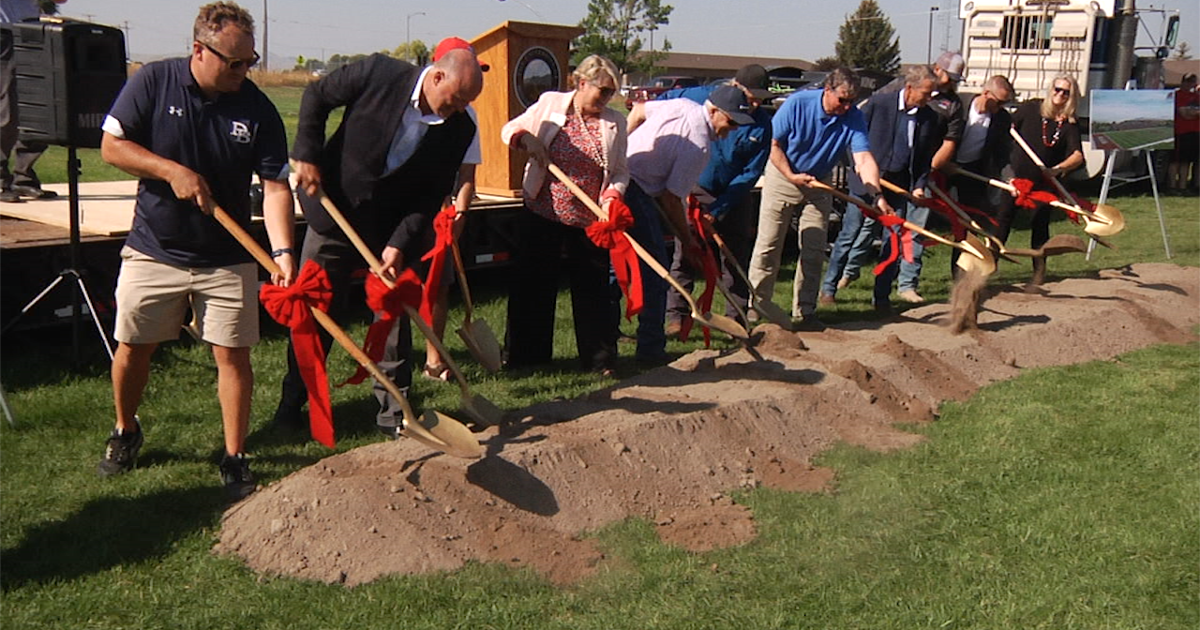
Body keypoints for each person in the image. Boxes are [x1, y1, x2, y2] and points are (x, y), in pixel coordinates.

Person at [96, 2, 296, 501]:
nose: (243, 71)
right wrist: (172, 171)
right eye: (234, 62)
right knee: (134, 349)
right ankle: (125, 429)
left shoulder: (257, 109)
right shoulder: (154, 82)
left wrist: (284, 252)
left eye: (249, 61)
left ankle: (235, 455)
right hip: (155, 247)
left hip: (226, 256)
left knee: (233, 356)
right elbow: (111, 147)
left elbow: (274, 187)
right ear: (199, 51)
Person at [273, 34, 484, 440]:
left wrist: (399, 244)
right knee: (316, 311)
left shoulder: (458, 128)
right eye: (456, 98)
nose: (460, 109)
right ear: (437, 76)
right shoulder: (379, 73)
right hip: (333, 212)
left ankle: (393, 412)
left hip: (389, 227)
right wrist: (308, 155)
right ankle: (294, 402)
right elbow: (317, 96)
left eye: (465, 103)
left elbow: (428, 197)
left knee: (392, 318)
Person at [500, 54, 627, 374]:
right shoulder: (552, 104)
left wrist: (612, 197)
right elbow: (510, 129)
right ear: (582, 83)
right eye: (603, 91)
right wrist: (527, 138)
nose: (607, 98)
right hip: (544, 210)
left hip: (590, 220)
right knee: (533, 285)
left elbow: (622, 171)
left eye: (612, 93)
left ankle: (599, 361)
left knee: (594, 291)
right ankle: (526, 358)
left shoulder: (615, 121)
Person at [746, 68, 884, 331]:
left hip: (820, 182)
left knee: (814, 248)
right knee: (769, 245)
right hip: (783, 175)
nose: (846, 106)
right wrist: (791, 175)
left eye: (851, 101)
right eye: (842, 99)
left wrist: (876, 194)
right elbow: (773, 144)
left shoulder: (853, 116)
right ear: (827, 90)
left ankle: (805, 311)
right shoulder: (798, 104)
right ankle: (757, 304)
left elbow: (863, 159)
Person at [623, 85, 753, 363]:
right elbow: (672, 200)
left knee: (616, 267)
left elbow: (638, 111)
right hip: (637, 191)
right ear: (714, 110)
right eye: (730, 122)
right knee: (658, 272)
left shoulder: (681, 105)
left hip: (622, 181)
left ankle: (606, 345)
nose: (730, 130)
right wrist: (688, 238)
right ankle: (650, 351)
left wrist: (621, 148)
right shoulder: (699, 145)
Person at [657, 64, 773, 333]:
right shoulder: (700, 98)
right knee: (685, 252)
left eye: (760, 98)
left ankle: (736, 318)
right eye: (749, 95)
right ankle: (677, 315)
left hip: (733, 194)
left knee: (733, 256)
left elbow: (750, 173)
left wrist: (720, 209)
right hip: (693, 187)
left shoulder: (763, 125)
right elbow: (659, 103)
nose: (755, 102)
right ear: (734, 86)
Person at [820, 65, 940, 315]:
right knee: (849, 234)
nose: (930, 98)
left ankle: (881, 297)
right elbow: (853, 139)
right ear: (909, 88)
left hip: (898, 185)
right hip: (866, 182)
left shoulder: (929, 117)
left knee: (894, 240)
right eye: (926, 93)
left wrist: (918, 186)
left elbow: (923, 159)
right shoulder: (878, 104)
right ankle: (829, 289)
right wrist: (859, 169)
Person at [422, 37, 483, 382]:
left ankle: (434, 360)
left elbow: (467, 173)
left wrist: (461, 212)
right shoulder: (415, 105)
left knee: (439, 286)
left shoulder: (468, 116)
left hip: (443, 212)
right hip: (409, 207)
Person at [997, 74, 1085, 285]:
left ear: (1071, 96)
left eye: (1066, 92)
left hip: (1043, 184)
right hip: (1015, 179)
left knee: (1040, 225)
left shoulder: (1069, 124)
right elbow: (1006, 128)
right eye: (1057, 89)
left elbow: (1077, 155)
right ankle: (989, 264)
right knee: (1002, 221)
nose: (1060, 95)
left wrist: (1057, 169)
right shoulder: (1031, 108)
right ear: (1050, 89)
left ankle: (1038, 273)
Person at [0, 0, 66, 203]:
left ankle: (24, 177)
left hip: (32, 30)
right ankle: (1, 179)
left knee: (39, 109)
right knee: (6, 110)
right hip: (4, 32)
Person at [946, 75, 1014, 272]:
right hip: (943, 166)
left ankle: (961, 274)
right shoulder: (959, 105)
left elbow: (1003, 154)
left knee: (970, 223)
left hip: (972, 171)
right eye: (999, 102)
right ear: (985, 93)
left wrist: (1010, 178)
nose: (1001, 107)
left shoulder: (1001, 118)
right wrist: (944, 163)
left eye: (1006, 103)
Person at [1169, 73, 1199, 193]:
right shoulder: (1177, 95)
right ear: (1182, 82)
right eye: (1187, 81)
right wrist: (1194, 112)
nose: (1189, 84)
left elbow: (1190, 113)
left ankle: (1183, 186)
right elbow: (1184, 114)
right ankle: (1172, 186)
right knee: (1176, 161)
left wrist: (1192, 112)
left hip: (1195, 132)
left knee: (1187, 161)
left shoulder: (1195, 96)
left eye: (1192, 82)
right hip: (1181, 132)